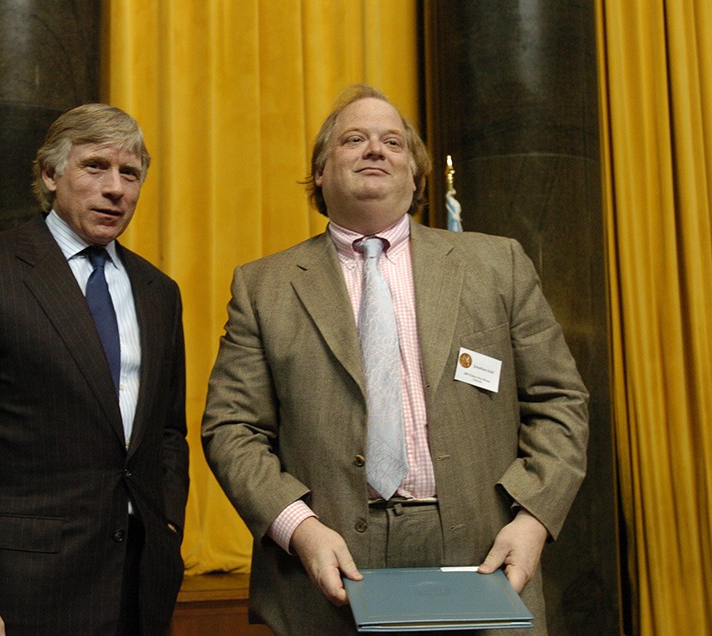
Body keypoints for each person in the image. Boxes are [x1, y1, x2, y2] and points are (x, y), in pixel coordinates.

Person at [201, 84, 588, 635]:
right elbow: (232, 428)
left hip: (485, 552)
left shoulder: (496, 264)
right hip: (326, 560)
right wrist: (299, 528)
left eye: (393, 142)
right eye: (353, 139)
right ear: (319, 173)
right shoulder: (264, 286)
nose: (375, 150)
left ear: (416, 176)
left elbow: (559, 401)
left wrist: (532, 520)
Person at [0, 103, 189, 636]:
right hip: (15, 592)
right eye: (95, 166)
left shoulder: (159, 292)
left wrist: (167, 526)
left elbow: (168, 432)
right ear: (50, 175)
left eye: (130, 173)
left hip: (138, 590)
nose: (115, 188)